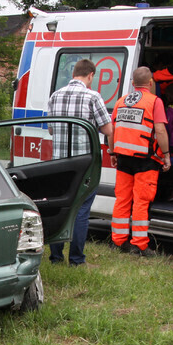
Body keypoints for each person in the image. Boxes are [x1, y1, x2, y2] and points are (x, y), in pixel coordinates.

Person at [45, 58, 113, 267]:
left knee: (61, 207)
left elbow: (50, 129)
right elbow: (108, 130)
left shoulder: (55, 96)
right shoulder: (93, 96)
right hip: (84, 164)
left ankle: (56, 257)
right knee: (81, 210)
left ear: (74, 73)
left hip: (59, 164)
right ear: (90, 75)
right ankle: (76, 259)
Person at [108, 66, 170, 257]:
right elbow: (159, 130)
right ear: (150, 83)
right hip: (146, 160)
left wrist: (112, 152)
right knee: (141, 202)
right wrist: (166, 154)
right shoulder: (154, 101)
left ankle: (118, 241)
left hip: (124, 158)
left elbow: (112, 129)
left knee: (122, 200)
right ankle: (140, 245)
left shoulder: (121, 101)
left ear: (133, 84)